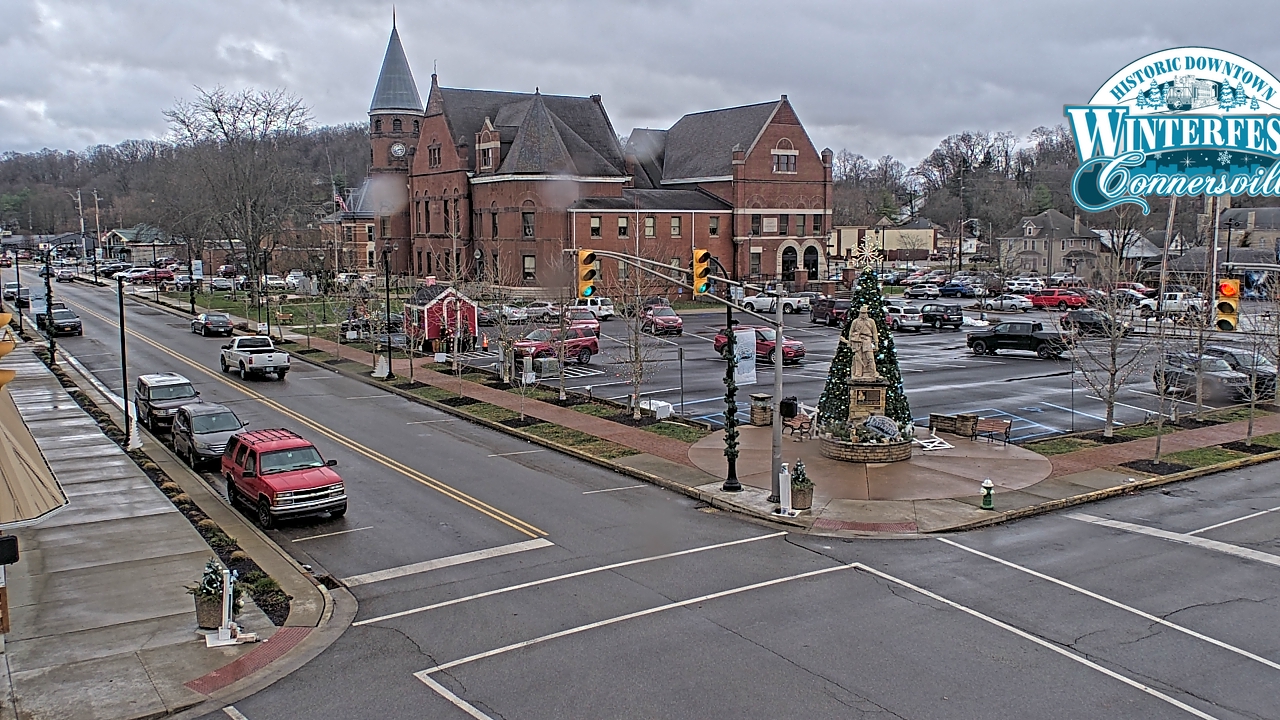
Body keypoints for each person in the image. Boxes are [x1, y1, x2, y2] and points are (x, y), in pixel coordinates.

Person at [847, 305, 880, 379]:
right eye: (862, 313)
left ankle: (873, 372)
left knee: (870, 358)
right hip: (857, 340)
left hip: (867, 340)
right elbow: (851, 332)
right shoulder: (855, 321)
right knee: (858, 358)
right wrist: (850, 343)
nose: (863, 314)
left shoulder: (871, 321)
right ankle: (858, 373)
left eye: (864, 313)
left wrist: (876, 344)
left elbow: (874, 333)